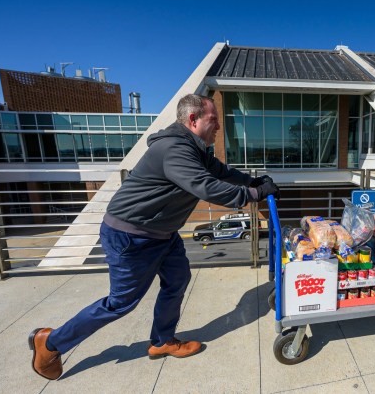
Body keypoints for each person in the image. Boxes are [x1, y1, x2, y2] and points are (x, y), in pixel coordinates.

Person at [28, 94, 280, 380]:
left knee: (177, 280)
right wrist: (254, 195)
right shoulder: (175, 149)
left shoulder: (194, 149)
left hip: (161, 233)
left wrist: (252, 181)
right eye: (214, 121)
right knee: (120, 303)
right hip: (130, 235)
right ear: (193, 120)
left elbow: (218, 172)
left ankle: (162, 341)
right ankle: (50, 344)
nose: (219, 127)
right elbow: (205, 186)